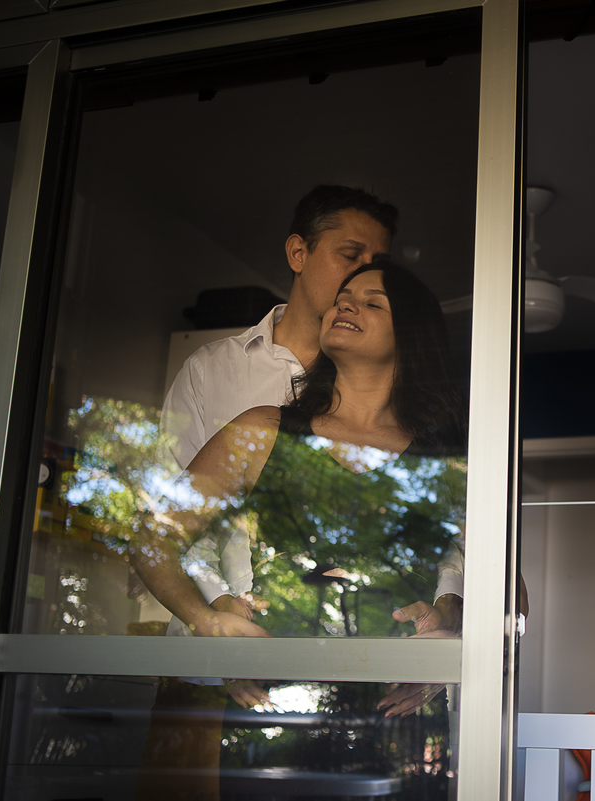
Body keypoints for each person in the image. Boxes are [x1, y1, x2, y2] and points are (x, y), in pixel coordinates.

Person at [134, 260, 468, 799]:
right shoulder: (261, 428)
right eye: (343, 296)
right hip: (273, 718)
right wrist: (205, 619)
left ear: (413, 336)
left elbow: (510, 593)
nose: (345, 304)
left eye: (373, 301)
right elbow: (153, 540)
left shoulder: (447, 458)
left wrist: (452, 643)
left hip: (400, 728)